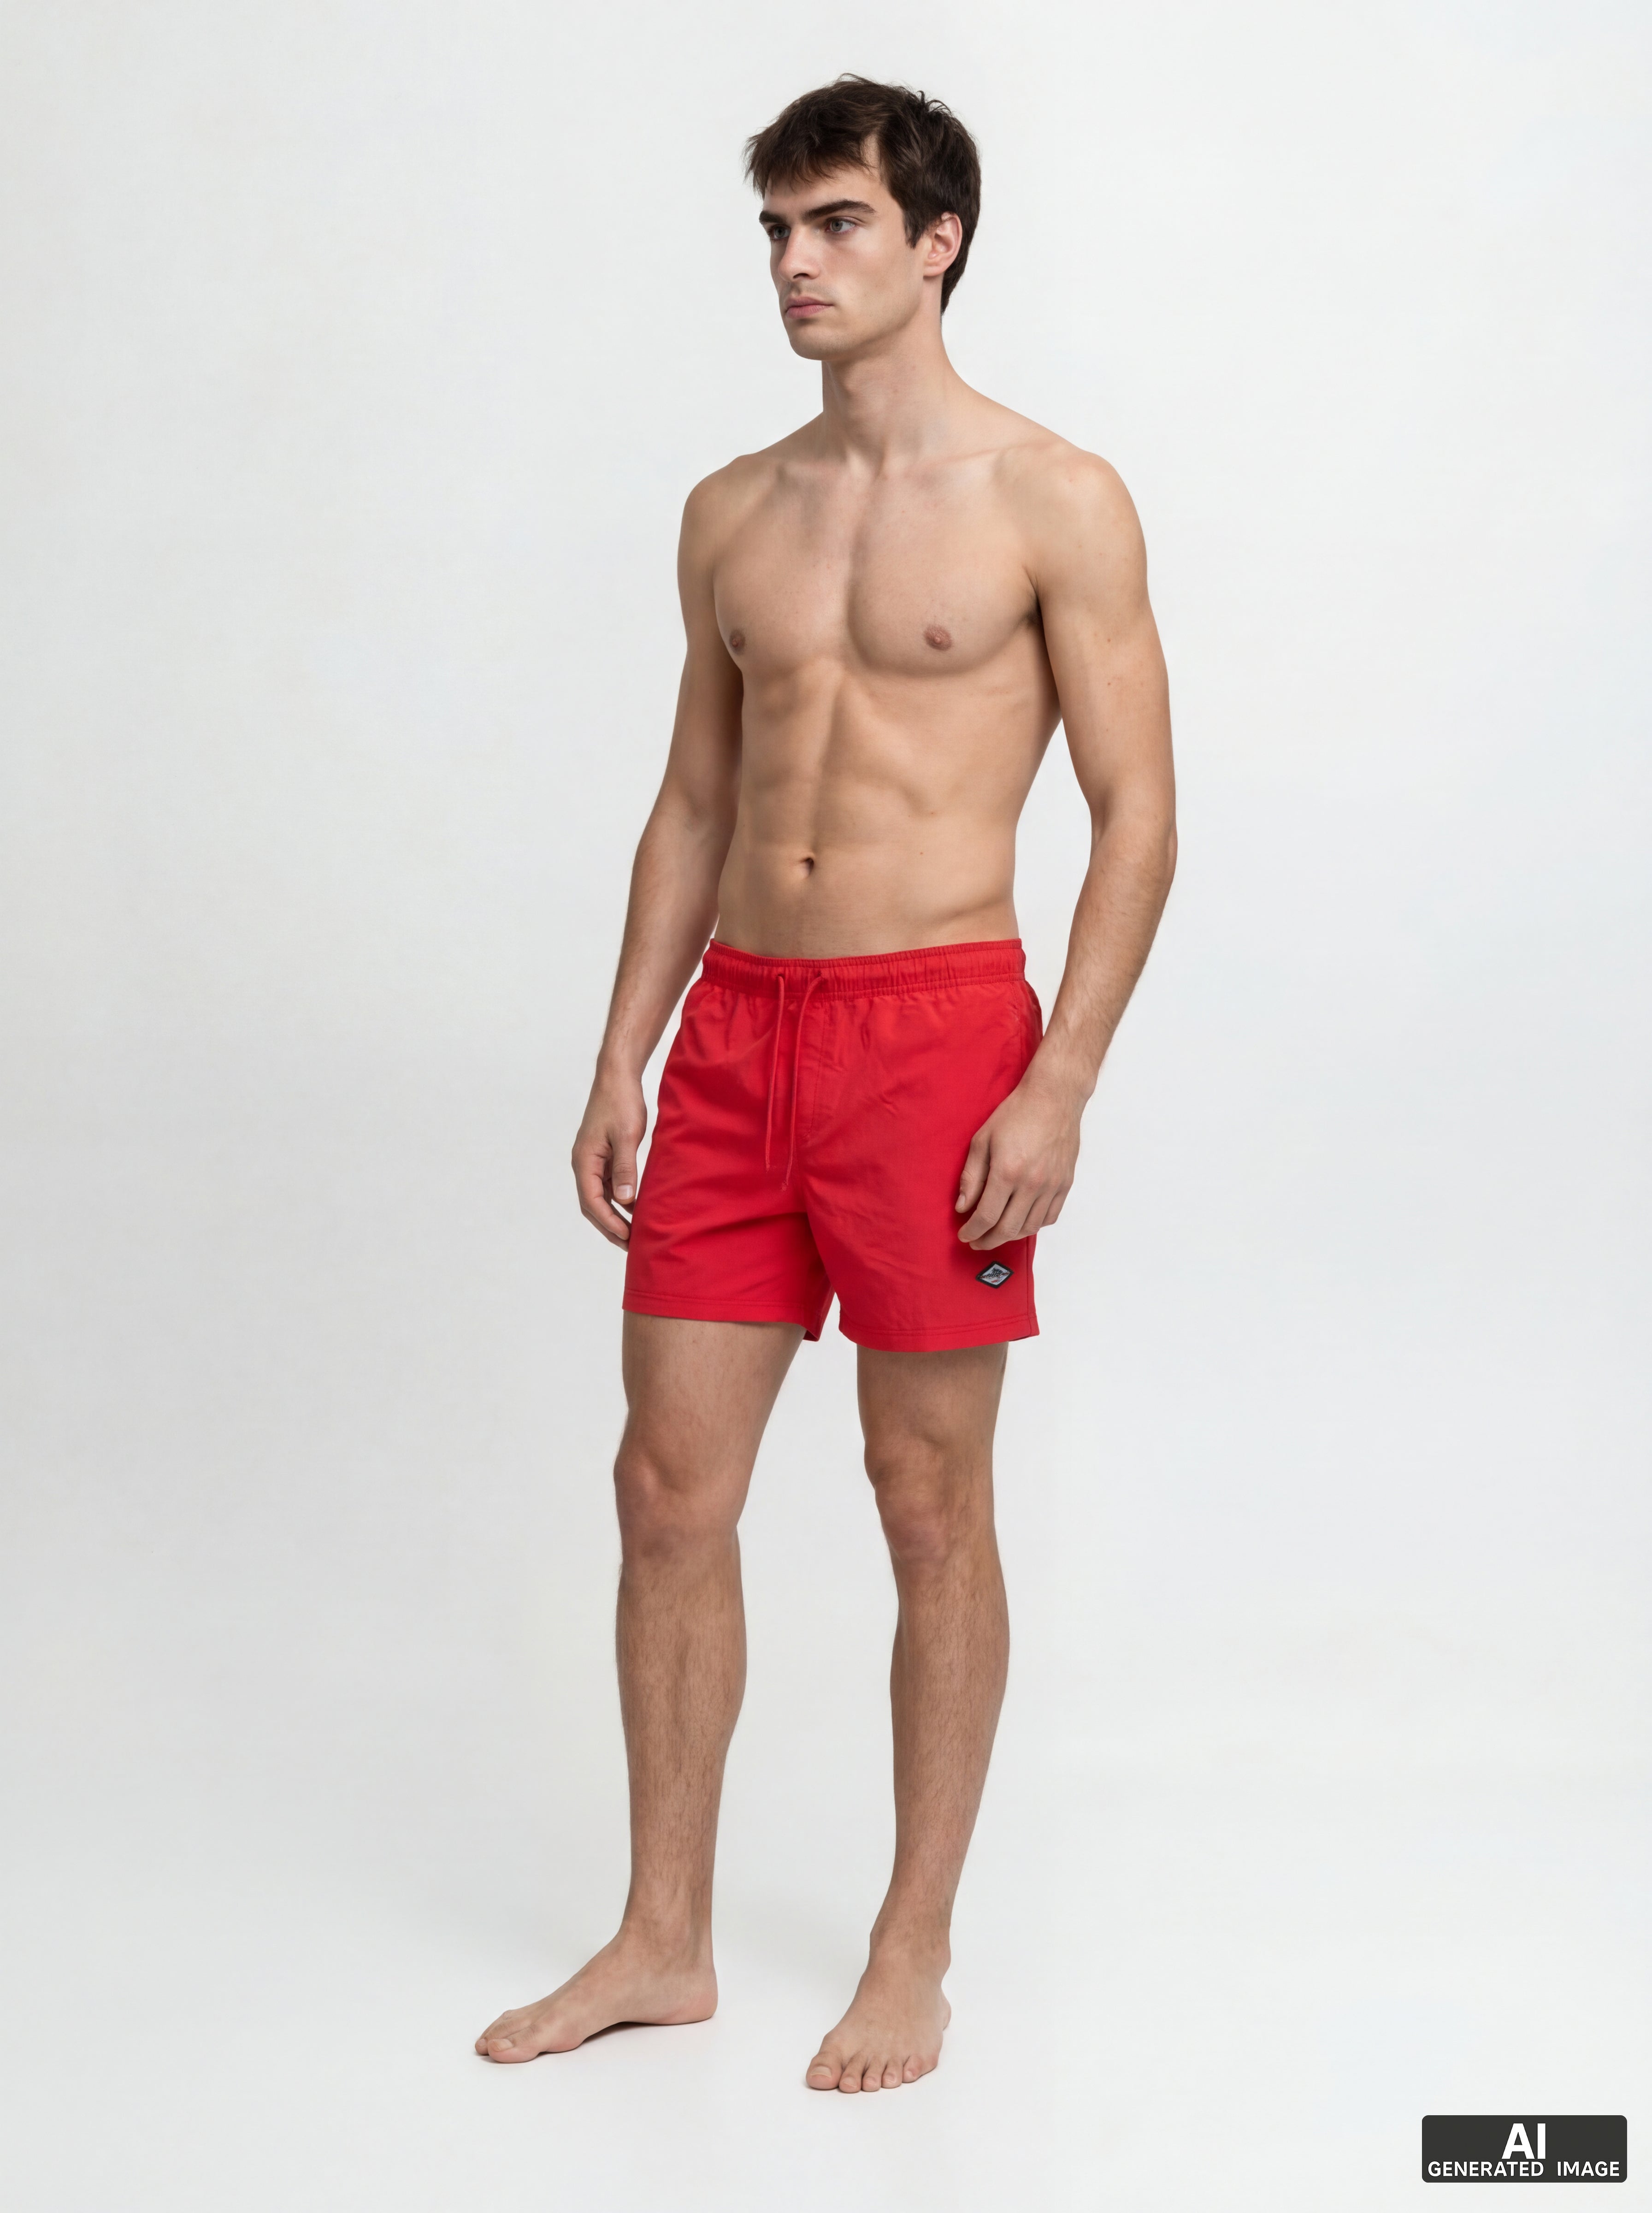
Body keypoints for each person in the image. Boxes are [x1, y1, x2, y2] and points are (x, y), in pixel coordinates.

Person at [476, 73, 1175, 2093]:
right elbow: (694, 804)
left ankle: (911, 1950)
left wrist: (1057, 1082)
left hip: (938, 1035)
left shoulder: (1055, 497)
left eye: (837, 223)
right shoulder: (733, 512)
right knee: (664, 1490)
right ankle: (662, 1938)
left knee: (924, 1498)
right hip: (736, 1041)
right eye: (778, 229)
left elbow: (1136, 815)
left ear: (937, 240)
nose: (795, 262)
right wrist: (623, 1049)